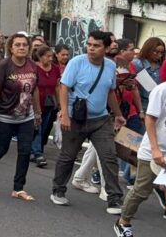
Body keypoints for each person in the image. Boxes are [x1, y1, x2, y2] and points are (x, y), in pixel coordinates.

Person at [50, 31, 126, 215]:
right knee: (68, 156)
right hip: (75, 119)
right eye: (89, 44)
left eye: (96, 46)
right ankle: (58, 190)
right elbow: (64, 87)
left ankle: (114, 198)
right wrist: (64, 114)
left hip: (101, 119)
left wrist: (118, 114)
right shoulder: (76, 62)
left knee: (109, 157)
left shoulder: (110, 65)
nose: (91, 48)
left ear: (106, 48)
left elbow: (110, 92)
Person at [114, 52, 166, 236]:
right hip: (153, 152)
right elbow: (150, 120)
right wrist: (156, 150)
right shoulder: (162, 90)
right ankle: (123, 222)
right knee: (141, 191)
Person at [0, 33, 41, 201]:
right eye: (17, 45)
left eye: (24, 45)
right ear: (11, 48)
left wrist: (37, 112)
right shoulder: (4, 65)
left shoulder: (33, 66)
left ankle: (18, 188)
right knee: (1, 149)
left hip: (26, 117)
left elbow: (35, 90)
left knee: (25, 151)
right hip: (5, 116)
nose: (21, 48)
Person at [32, 44, 62, 168]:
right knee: (37, 128)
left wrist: (59, 103)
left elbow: (57, 87)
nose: (50, 59)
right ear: (40, 57)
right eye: (47, 56)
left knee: (44, 128)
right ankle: (38, 154)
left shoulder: (55, 68)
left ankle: (34, 151)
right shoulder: (34, 68)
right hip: (35, 103)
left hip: (49, 103)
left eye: (51, 56)